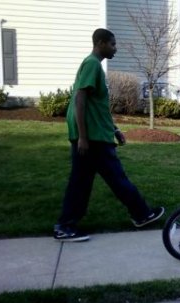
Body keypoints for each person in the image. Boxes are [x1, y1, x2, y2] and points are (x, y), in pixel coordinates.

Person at [54, 28, 164, 242]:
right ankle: (140, 214)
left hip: (98, 135)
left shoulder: (96, 67)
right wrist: (83, 137)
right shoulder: (91, 64)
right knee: (111, 179)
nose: (116, 48)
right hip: (92, 138)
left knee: (86, 181)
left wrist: (114, 129)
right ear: (101, 43)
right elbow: (79, 100)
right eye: (113, 44)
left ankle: (67, 225)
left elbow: (98, 106)